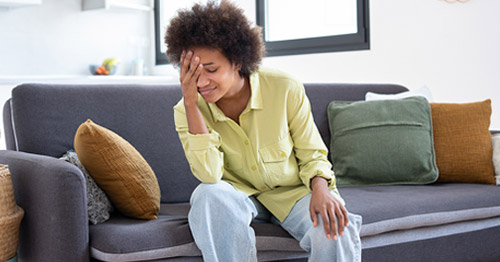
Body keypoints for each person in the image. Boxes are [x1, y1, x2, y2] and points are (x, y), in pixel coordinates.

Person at [165, 1, 362, 261]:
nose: (201, 82)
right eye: (191, 73)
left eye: (211, 70)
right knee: (207, 195)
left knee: (335, 226)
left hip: (292, 194)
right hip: (239, 198)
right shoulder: (186, 109)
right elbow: (210, 175)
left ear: (237, 61)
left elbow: (312, 153)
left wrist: (322, 189)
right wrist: (192, 104)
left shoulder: (284, 88)